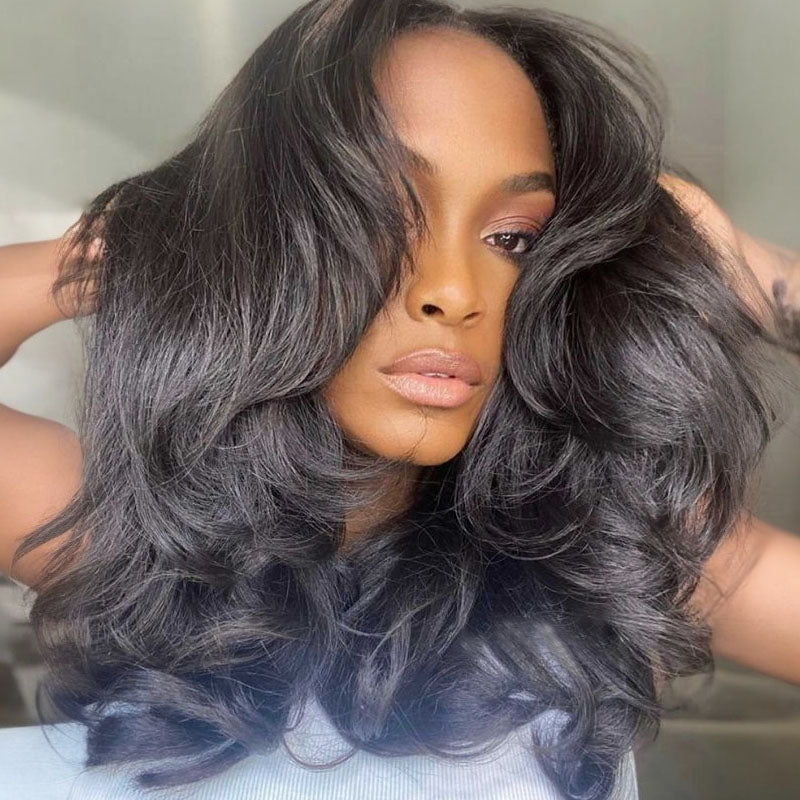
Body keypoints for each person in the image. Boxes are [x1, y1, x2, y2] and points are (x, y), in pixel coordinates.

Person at [1, 1, 800, 798]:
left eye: (512, 239)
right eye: (380, 216)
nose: (453, 291)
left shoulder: (606, 553)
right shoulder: (130, 540)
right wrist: (154, 243)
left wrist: (714, 256)